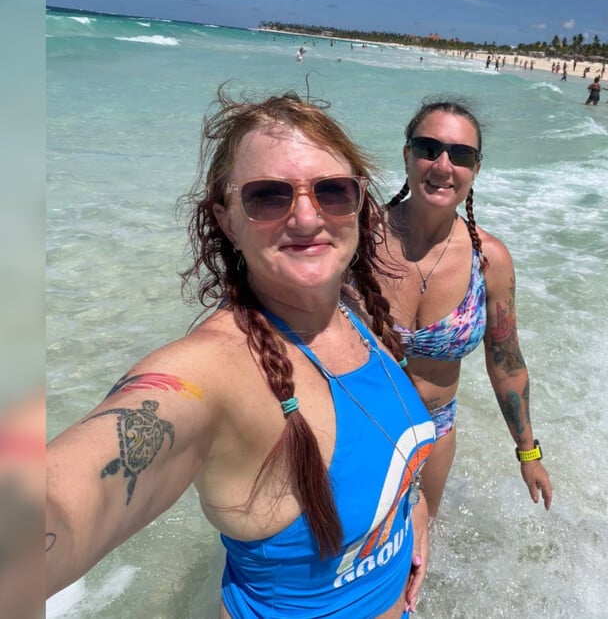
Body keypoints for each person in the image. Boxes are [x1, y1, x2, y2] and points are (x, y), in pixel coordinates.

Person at [45, 87, 436, 618]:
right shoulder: (217, 371)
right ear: (227, 219)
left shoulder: (352, 307)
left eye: (334, 191)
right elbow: (61, 508)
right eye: (268, 196)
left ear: (360, 203)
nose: (305, 217)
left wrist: (411, 513)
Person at [377, 98, 554, 518]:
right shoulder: (358, 237)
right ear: (407, 155)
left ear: (475, 169)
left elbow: (507, 363)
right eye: (428, 148)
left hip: (433, 429)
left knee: (417, 550)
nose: (442, 165)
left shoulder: (489, 260)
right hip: (355, 421)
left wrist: (529, 454)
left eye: (460, 155)